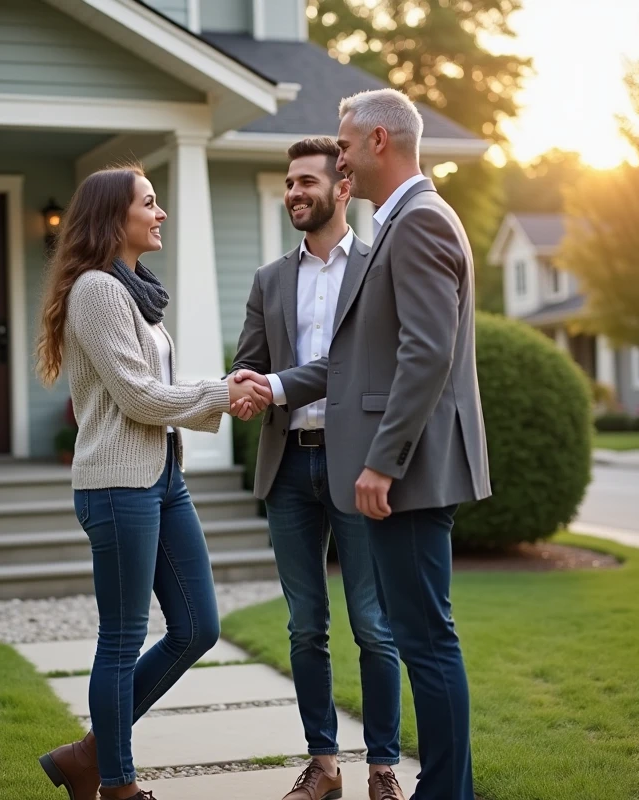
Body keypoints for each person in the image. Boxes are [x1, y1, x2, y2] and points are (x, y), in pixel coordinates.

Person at [234, 89, 492, 800]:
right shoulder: (408, 220)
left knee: (425, 642)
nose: (338, 155)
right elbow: (357, 360)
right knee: (423, 638)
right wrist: (278, 386)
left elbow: (426, 355)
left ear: (379, 140)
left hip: (409, 472)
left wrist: (380, 461)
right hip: (383, 466)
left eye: (344, 144)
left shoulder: (417, 224)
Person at [35, 165, 272, 800]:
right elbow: (139, 397)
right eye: (149, 202)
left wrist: (221, 392)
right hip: (117, 486)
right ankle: (115, 782)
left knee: (197, 626)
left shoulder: (130, 289)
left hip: (163, 481)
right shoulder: (96, 291)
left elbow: (152, 390)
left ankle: (89, 755)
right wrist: (220, 393)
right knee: (121, 638)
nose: (160, 212)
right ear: (116, 217)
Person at [229, 136, 403, 800]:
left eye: (307, 181)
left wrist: (270, 385)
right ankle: (324, 764)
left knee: (372, 623)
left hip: (357, 467)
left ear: (343, 188)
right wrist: (240, 391)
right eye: (289, 183)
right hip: (289, 471)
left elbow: (365, 370)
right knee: (306, 625)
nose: (295, 192)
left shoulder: (378, 267)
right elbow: (249, 361)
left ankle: (383, 767)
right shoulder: (270, 279)